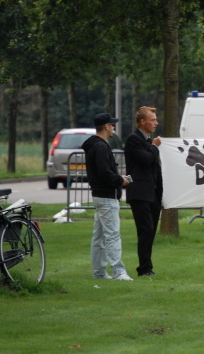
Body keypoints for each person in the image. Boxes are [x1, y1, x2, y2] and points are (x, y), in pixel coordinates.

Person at [82, 112, 133, 281]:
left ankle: (99, 271)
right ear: (106, 126)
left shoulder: (93, 145)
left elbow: (101, 171)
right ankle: (118, 270)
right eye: (112, 125)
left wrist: (118, 178)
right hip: (107, 196)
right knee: (112, 235)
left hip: (99, 195)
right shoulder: (102, 146)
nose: (114, 127)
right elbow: (104, 172)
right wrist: (119, 180)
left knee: (99, 237)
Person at [124, 106, 163, 277]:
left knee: (151, 230)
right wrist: (154, 147)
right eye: (153, 119)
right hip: (139, 193)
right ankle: (144, 268)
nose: (156, 122)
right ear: (142, 122)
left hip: (152, 194)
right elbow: (146, 160)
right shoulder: (134, 139)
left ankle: (147, 266)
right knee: (146, 229)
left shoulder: (147, 141)